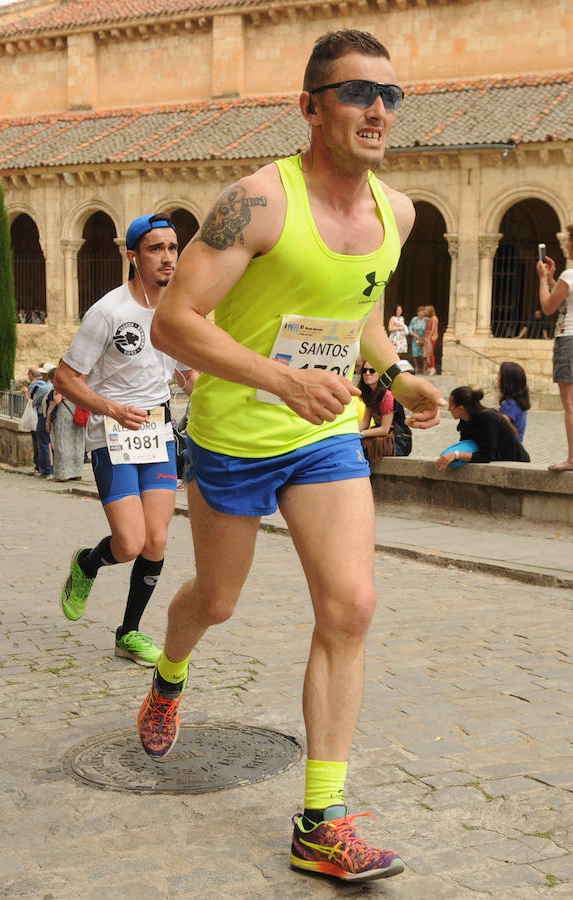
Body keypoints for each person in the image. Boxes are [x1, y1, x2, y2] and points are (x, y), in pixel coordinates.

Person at [135, 31, 444, 883]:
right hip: (236, 434)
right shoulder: (257, 202)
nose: (378, 110)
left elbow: (358, 313)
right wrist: (278, 379)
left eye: (390, 95)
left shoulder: (398, 213)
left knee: (350, 606)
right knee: (219, 600)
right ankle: (169, 671)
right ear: (310, 106)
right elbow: (175, 323)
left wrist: (400, 376)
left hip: (323, 435)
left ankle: (322, 818)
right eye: (356, 93)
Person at [55, 213, 198, 667]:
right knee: (130, 542)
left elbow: (186, 370)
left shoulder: (179, 309)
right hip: (111, 435)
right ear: (133, 256)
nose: (167, 257)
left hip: (157, 433)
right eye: (156, 249)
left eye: (173, 248)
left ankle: (128, 633)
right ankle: (88, 564)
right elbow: (65, 377)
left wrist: (206, 388)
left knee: (156, 541)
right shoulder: (108, 311)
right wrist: (112, 409)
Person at [538, 234, 573, 471]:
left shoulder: (569, 275)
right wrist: (552, 280)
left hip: (568, 340)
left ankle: (572, 459)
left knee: (570, 404)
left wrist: (542, 279)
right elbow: (564, 300)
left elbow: (549, 307)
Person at [435, 386, 529, 468]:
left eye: (451, 405)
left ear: (460, 408)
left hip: (516, 462)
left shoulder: (487, 419)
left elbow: (486, 455)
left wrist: (456, 454)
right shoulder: (465, 420)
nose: (448, 409)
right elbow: (467, 445)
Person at [357, 361, 412, 460]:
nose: (367, 373)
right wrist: (350, 431)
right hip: (383, 438)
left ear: (380, 374)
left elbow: (384, 429)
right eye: (364, 371)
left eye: (372, 371)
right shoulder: (369, 394)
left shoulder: (387, 395)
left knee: (358, 449)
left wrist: (360, 434)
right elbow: (365, 423)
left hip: (398, 441)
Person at [45, 367, 86, 481]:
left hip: (64, 417)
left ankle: (63, 475)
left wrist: (48, 419)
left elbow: (57, 400)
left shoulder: (62, 386)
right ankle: (77, 473)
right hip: (76, 416)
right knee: (77, 445)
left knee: (63, 445)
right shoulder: (79, 384)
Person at [31, 365, 55, 477]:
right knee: (53, 443)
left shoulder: (43, 388)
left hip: (43, 415)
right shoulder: (57, 387)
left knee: (43, 443)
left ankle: (46, 469)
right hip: (55, 416)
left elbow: (35, 401)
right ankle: (54, 467)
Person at [498, 361, 530, 441]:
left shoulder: (511, 405)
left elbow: (500, 424)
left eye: (499, 375)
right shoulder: (518, 402)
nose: (497, 378)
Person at [407, 305, 427, 374]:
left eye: (422, 312)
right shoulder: (414, 319)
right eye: (420, 312)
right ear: (417, 313)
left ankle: (425, 368)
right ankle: (416, 367)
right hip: (416, 339)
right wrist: (415, 335)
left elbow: (429, 329)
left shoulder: (426, 320)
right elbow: (410, 329)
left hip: (424, 339)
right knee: (415, 354)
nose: (421, 313)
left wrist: (425, 337)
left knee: (424, 355)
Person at [423, 304, 439, 375]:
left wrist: (429, 337)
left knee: (431, 352)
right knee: (428, 353)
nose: (425, 312)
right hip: (427, 337)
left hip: (432, 338)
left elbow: (432, 329)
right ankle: (429, 367)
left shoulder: (434, 318)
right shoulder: (429, 318)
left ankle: (433, 368)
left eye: (426, 310)